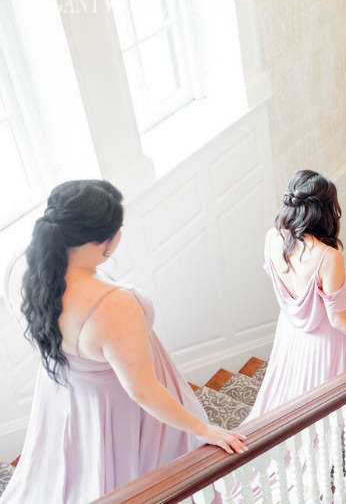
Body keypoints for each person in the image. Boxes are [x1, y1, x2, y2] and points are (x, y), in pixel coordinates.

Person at [0, 180, 245, 504]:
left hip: (72, 397)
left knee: (83, 473)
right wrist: (204, 429)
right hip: (125, 410)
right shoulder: (112, 306)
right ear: (104, 241)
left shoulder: (27, 268)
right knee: (143, 478)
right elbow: (143, 391)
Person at [245, 170, 346, 421]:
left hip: (289, 332)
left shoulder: (271, 238)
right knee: (323, 411)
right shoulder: (328, 258)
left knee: (290, 397)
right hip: (325, 344)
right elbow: (338, 319)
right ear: (325, 211)